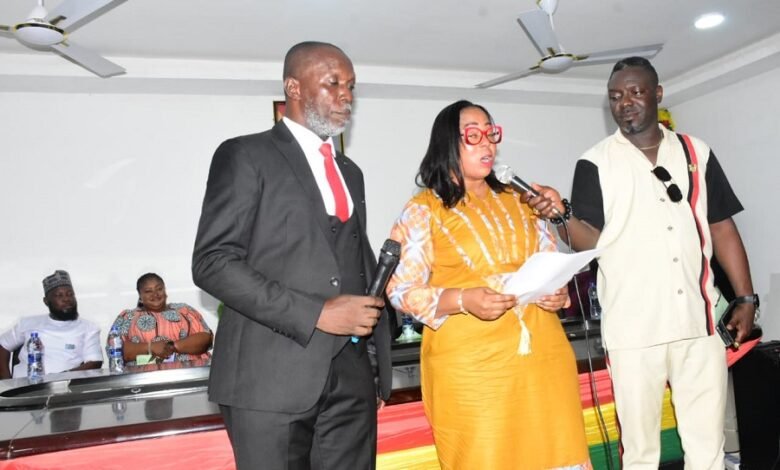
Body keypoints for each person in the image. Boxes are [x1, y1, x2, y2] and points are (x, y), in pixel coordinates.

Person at [527, 57, 757, 469]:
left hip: (699, 325)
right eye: (615, 97)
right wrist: (560, 215)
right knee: (640, 453)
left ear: (657, 94)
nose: (625, 103)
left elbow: (721, 227)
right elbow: (589, 241)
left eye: (635, 92)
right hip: (633, 331)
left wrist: (745, 298)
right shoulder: (594, 162)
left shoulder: (695, 152)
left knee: (708, 448)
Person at [192, 41, 392, 469]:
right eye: (333, 83)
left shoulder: (349, 171)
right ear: (294, 87)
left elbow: (352, 264)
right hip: (269, 378)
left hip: (351, 379)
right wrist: (317, 313)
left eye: (352, 86)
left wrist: (372, 363)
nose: (346, 96)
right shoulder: (246, 154)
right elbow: (212, 262)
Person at [386, 100, 591, 469]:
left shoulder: (523, 200)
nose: (488, 144)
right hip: (475, 372)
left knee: (559, 455)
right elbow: (400, 289)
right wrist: (464, 299)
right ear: (448, 143)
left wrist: (555, 292)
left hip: (544, 358)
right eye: (473, 135)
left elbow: (549, 263)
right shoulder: (423, 209)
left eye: (491, 133)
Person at [0, 270, 102, 379]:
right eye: (59, 295)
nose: (66, 299)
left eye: (70, 294)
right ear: (46, 301)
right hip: (21, 389)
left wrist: (59, 378)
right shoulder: (27, 323)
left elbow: (94, 363)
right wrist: (6, 382)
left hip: (63, 388)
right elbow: (2, 346)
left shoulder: (88, 328)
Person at [108, 273, 212, 365]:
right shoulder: (127, 317)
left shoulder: (184, 311)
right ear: (140, 296)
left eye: (159, 289)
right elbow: (115, 350)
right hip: (143, 379)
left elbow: (206, 338)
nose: (155, 294)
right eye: (148, 291)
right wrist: (150, 348)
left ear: (165, 290)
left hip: (190, 373)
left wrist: (173, 346)